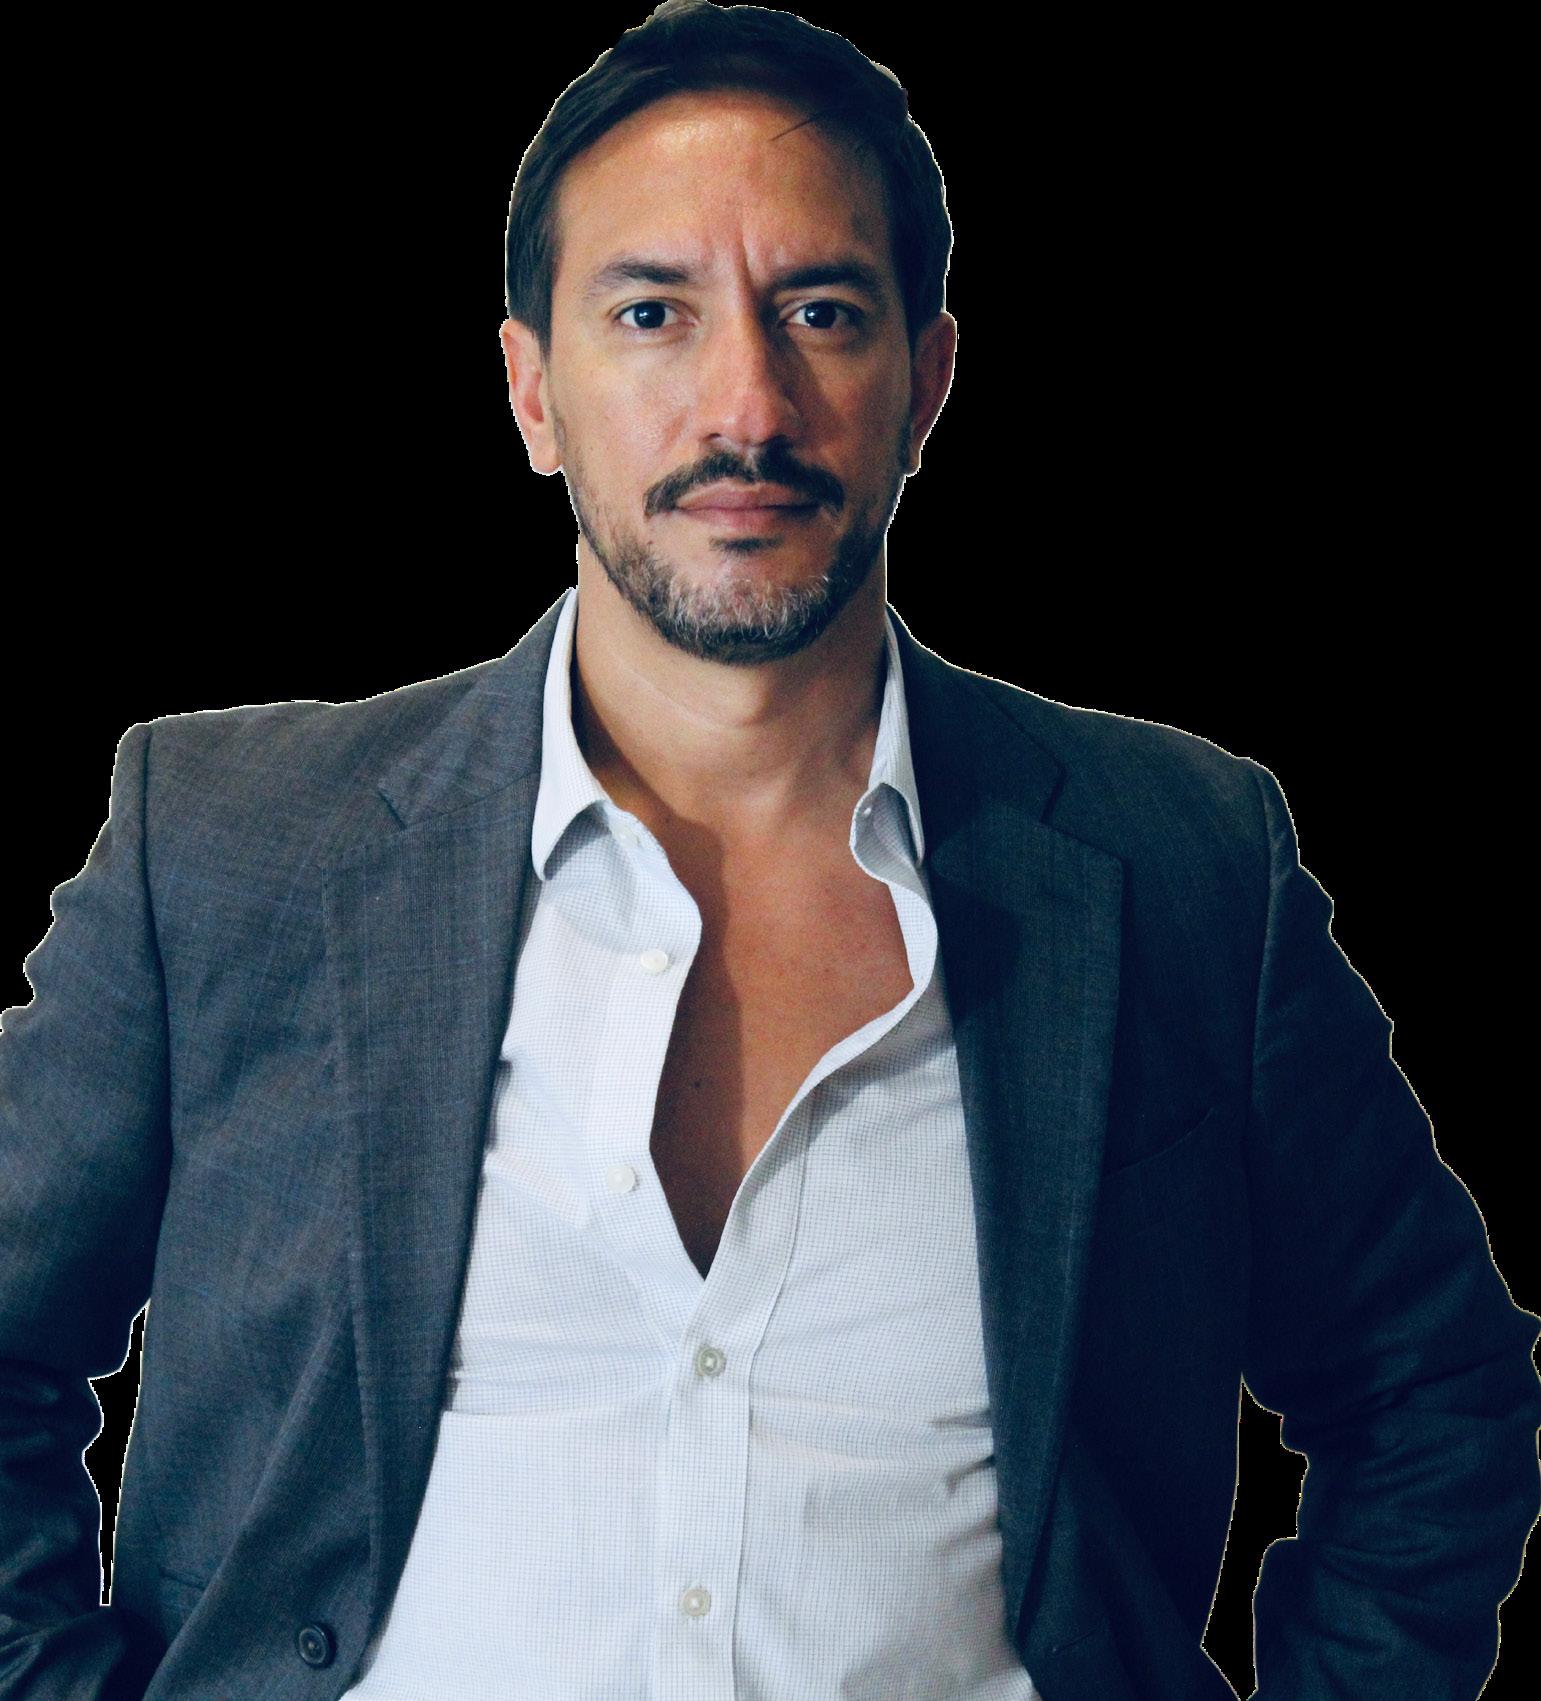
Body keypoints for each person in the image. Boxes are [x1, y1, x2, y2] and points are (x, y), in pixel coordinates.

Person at [2, 3, 1537, 1696]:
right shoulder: (227, 846)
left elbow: (1429, 1387)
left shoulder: (1179, 861)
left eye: (820, 310)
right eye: (650, 312)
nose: (746, 403)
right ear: (533, 390)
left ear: (924, 383)